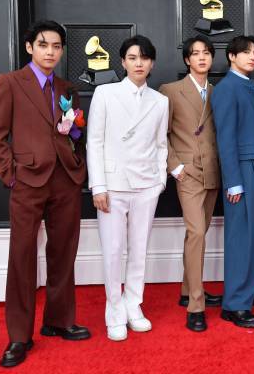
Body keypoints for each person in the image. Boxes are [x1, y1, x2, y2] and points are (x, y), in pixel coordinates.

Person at [0, 20, 90, 368]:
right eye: (44, 45)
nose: (51, 52)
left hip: (65, 180)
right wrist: (11, 176)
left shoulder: (67, 88)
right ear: (30, 47)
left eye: (57, 46)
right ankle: (19, 335)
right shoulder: (10, 83)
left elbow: (75, 132)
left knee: (63, 252)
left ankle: (59, 321)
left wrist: (78, 164)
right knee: (22, 256)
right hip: (27, 181)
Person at [86, 35, 168, 342]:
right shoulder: (105, 93)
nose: (138, 63)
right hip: (112, 186)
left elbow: (162, 144)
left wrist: (160, 180)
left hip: (147, 185)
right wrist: (98, 185)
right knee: (113, 251)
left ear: (152, 63)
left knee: (139, 252)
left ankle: (134, 305)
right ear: (122, 62)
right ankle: (114, 311)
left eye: (144, 58)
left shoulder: (160, 101)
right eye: (132, 57)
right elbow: (94, 141)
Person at [158, 36, 222, 332]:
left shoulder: (217, 91)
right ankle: (196, 305)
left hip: (213, 172)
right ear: (187, 60)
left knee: (198, 233)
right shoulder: (170, 91)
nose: (201, 58)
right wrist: (175, 166)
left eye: (206, 53)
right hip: (188, 173)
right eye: (195, 54)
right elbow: (160, 133)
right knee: (196, 232)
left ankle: (187, 289)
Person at [210, 35, 254, 328]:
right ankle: (234, 304)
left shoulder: (249, 85)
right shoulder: (226, 89)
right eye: (246, 52)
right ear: (231, 56)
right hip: (241, 169)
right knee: (241, 237)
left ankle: (249, 291)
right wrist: (233, 181)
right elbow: (225, 138)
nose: (252, 57)